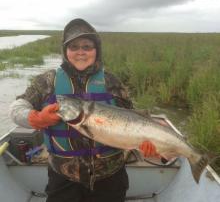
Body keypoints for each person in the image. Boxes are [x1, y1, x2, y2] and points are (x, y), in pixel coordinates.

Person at [10, 18, 158, 202]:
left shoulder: (112, 82)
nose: (81, 52)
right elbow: (17, 108)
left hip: (110, 177)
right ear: (65, 51)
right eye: (74, 47)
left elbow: (132, 119)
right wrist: (35, 118)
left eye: (87, 46)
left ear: (97, 50)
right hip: (63, 177)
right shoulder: (47, 81)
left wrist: (145, 144)